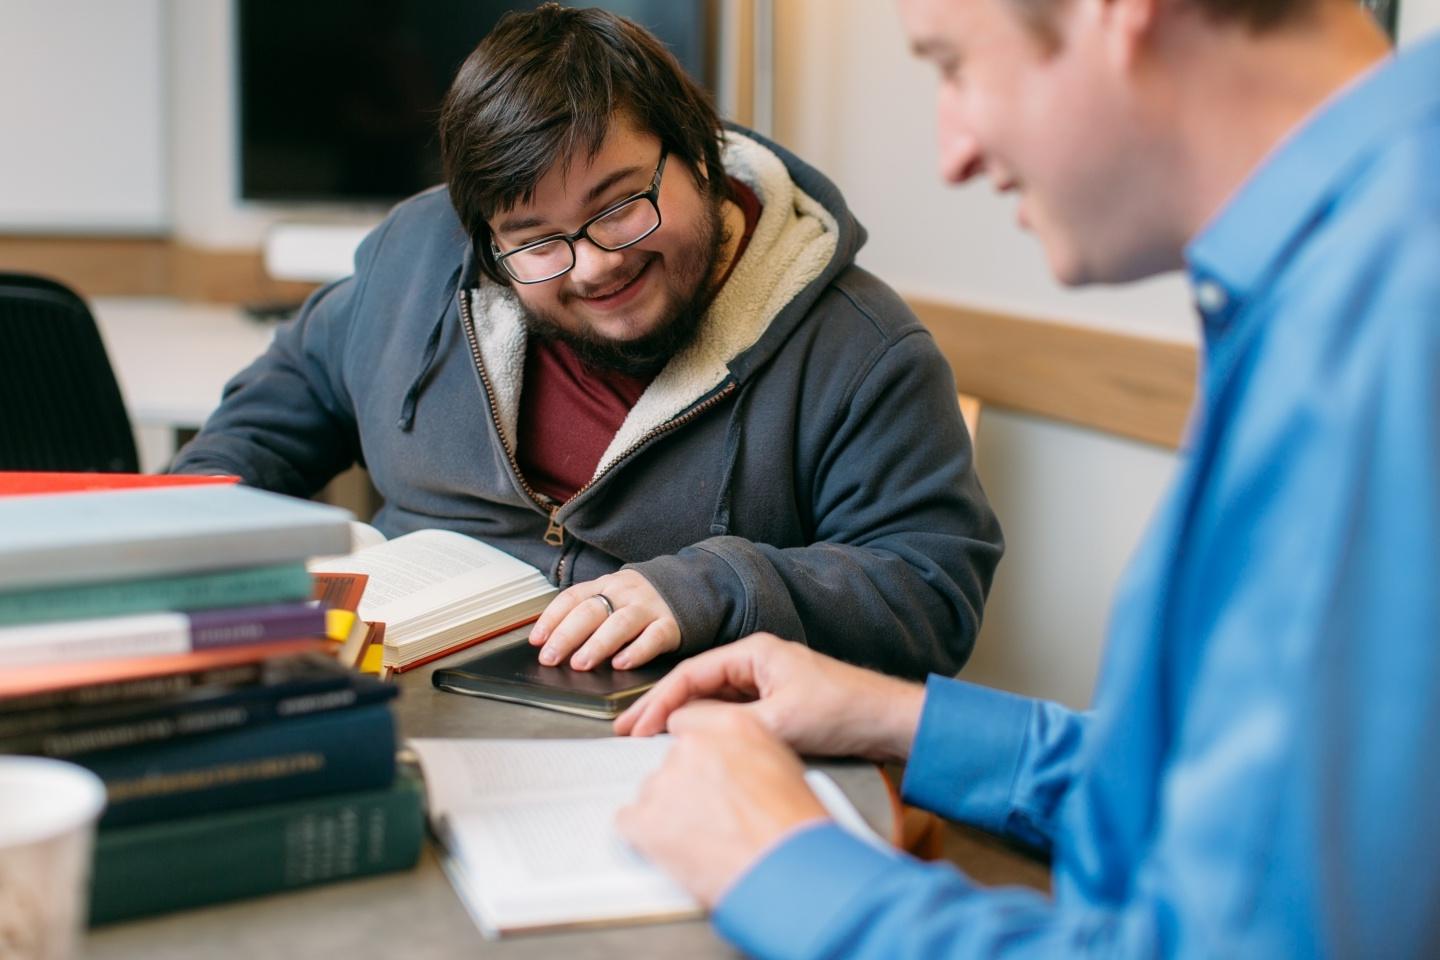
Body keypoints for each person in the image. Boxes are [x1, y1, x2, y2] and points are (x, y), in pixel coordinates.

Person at [614, 0, 1440, 954]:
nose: (951, 153)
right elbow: (1239, 817)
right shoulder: (1354, 263)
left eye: (954, 66)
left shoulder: (1386, 325)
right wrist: (901, 720)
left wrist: (778, 860)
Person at [170, 5, 1003, 678]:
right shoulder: (414, 261)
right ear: (485, 244)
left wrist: (714, 585)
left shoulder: (862, 352)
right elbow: (281, 406)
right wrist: (197, 523)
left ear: (698, 155)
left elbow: (930, 592)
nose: (596, 266)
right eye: (536, 241)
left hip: (666, 738)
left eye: (618, 206)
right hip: (398, 702)